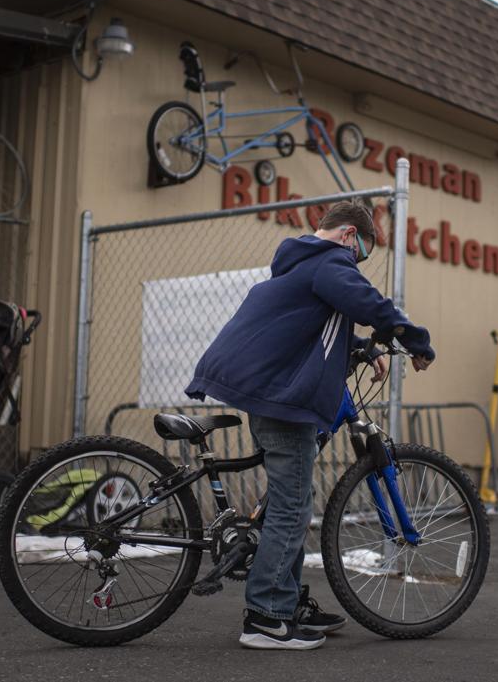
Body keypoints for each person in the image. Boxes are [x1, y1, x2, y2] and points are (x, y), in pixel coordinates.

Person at [186, 200, 435, 650]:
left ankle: (286, 601)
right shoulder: (329, 260)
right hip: (283, 401)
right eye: (358, 255)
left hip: (275, 394)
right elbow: (367, 302)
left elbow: (313, 322)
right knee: (292, 506)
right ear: (346, 236)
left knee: (292, 498)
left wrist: (362, 348)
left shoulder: (302, 263)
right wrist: (413, 338)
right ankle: (265, 618)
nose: (355, 264)